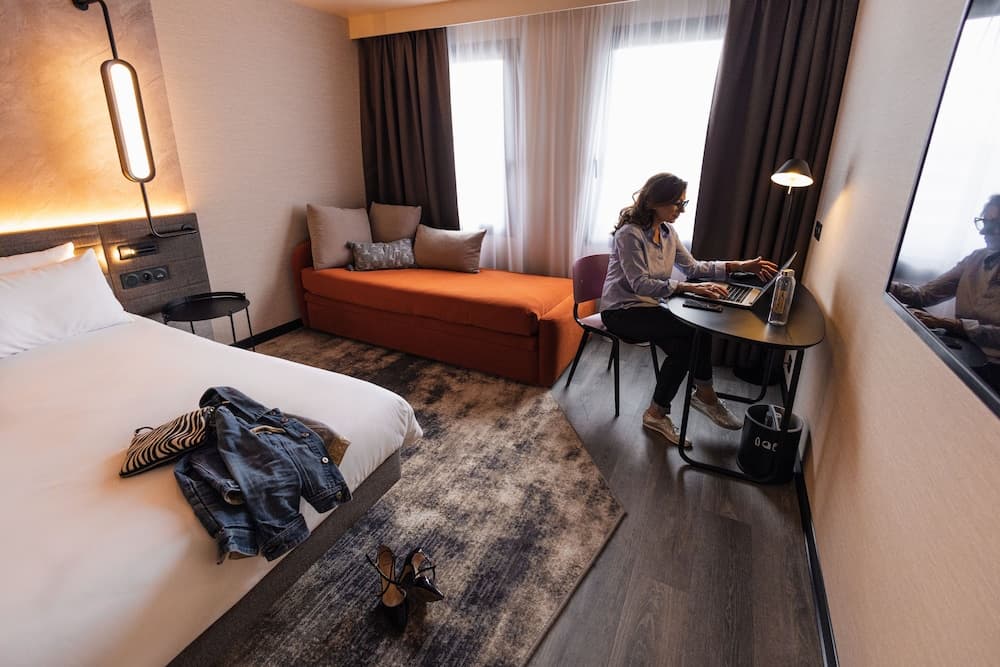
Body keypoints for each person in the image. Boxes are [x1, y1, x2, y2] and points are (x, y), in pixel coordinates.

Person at [600, 172, 778, 447]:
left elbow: (693, 268)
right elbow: (639, 284)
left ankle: (659, 412)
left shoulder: (668, 233)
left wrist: (741, 266)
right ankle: (703, 395)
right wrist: (689, 288)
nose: (681, 210)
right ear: (654, 201)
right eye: (676, 203)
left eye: (683, 203)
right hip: (622, 311)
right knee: (693, 332)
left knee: (687, 346)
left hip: (651, 306)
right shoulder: (629, 235)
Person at [890, 194, 1000, 392]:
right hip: (963, 350)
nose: (984, 231)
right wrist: (886, 284)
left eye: (995, 224)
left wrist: (947, 324)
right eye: (984, 222)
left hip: (993, 368)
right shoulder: (975, 258)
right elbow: (924, 294)